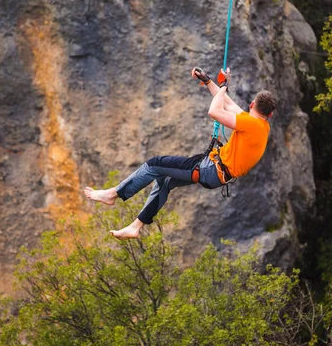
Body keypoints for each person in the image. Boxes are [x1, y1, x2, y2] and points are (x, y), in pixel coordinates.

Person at [84, 67, 277, 239]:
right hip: (215, 172)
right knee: (165, 181)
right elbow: (227, 104)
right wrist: (209, 81)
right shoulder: (261, 126)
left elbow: (215, 111)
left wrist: (224, 86)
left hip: (210, 169)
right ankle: (135, 227)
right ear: (270, 115)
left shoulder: (251, 124)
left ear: (252, 104)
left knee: (155, 163)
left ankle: (113, 194)